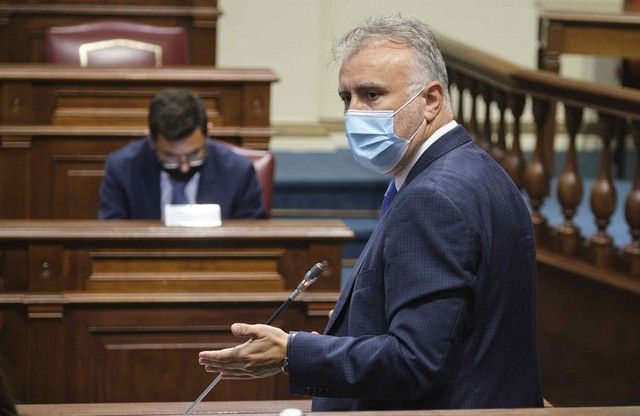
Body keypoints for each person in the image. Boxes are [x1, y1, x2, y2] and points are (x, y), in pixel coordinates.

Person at [197, 15, 543, 411]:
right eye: (347, 97)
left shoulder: (433, 198)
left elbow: (415, 362)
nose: (354, 113)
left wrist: (291, 353)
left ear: (430, 100)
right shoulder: (477, 170)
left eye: (372, 95)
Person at [98, 89, 265, 219]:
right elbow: (111, 237)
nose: (184, 167)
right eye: (170, 157)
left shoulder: (238, 172)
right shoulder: (122, 169)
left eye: (194, 155)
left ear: (208, 134)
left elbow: (252, 241)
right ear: (151, 140)